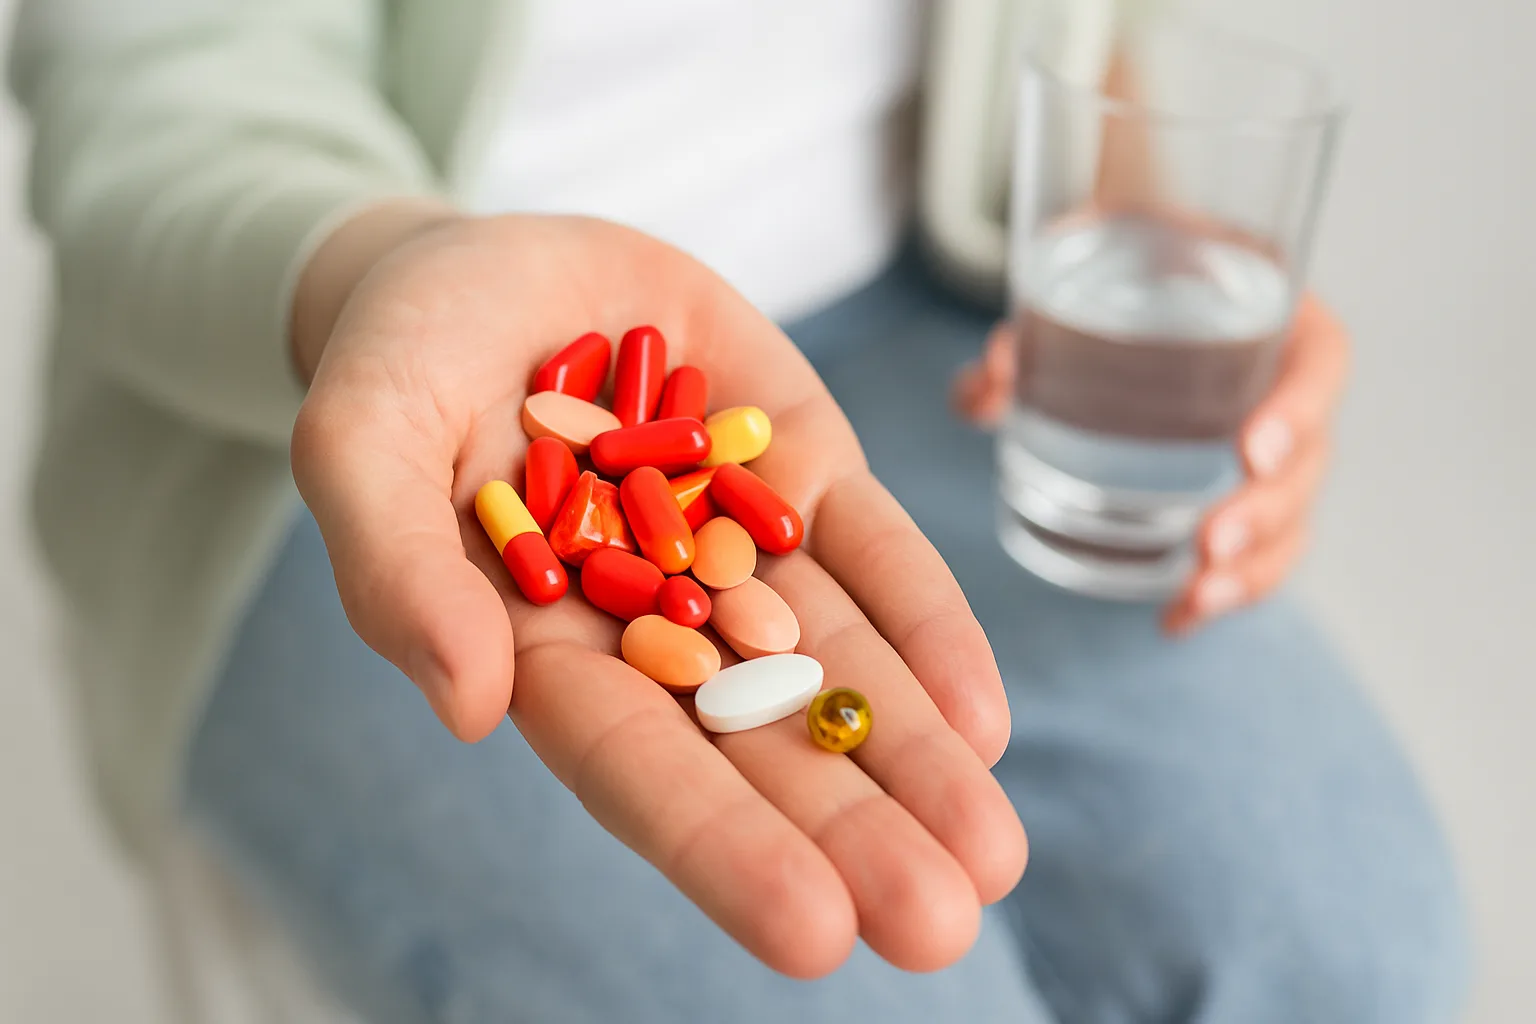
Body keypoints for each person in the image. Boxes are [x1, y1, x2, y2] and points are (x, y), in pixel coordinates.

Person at [9, 1, 1467, 1021]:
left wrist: (1129, 223)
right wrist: (384, 272)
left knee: (1349, 960)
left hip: (913, 324)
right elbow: (160, 79)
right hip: (336, 387)